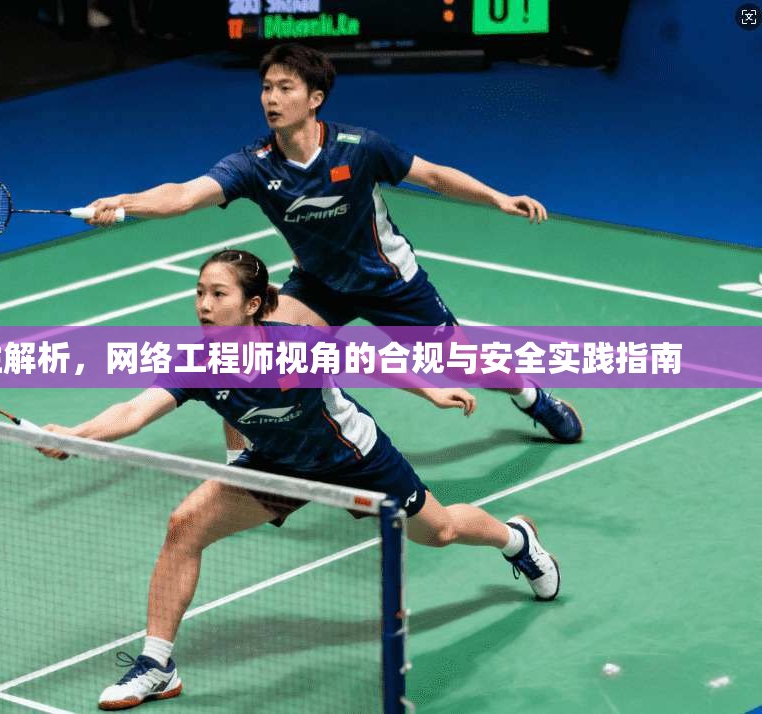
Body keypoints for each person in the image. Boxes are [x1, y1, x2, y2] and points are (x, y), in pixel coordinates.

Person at [41, 249, 561, 711]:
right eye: (199, 292)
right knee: (185, 526)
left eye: (218, 294)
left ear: (252, 304)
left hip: (354, 459)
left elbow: (370, 360)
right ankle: (157, 665)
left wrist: (430, 391)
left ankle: (516, 539)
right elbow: (134, 411)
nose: (203, 304)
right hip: (278, 464)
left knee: (440, 531)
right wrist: (78, 434)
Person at [81, 42, 582, 444]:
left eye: (285, 88)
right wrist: (125, 201)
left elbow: (432, 176)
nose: (271, 99)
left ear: (315, 98)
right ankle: (244, 460)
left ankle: (531, 397)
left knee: (464, 363)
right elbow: (185, 195)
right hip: (319, 285)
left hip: (390, 282)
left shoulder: (359, 148)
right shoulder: (253, 164)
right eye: (266, 88)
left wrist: (497, 198)